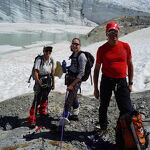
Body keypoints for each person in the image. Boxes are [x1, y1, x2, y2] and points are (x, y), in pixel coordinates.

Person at [93, 21, 134, 134]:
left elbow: (130, 65)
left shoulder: (125, 47)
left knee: (126, 108)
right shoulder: (102, 49)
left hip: (121, 81)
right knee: (103, 105)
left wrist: (130, 83)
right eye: (111, 31)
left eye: (115, 31)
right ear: (107, 34)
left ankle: (121, 127)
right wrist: (95, 88)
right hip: (106, 80)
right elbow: (96, 70)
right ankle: (103, 127)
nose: (114, 34)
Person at [60, 38, 87, 125]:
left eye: (76, 44)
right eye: (73, 44)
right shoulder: (74, 54)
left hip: (75, 81)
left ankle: (64, 118)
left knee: (69, 99)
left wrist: (72, 84)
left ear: (80, 45)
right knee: (74, 97)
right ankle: (75, 113)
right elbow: (74, 67)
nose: (75, 46)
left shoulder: (81, 56)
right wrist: (66, 68)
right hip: (71, 78)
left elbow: (81, 72)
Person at [28, 46, 55, 128]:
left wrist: (53, 83)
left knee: (45, 96)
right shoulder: (39, 60)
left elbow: (52, 72)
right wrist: (37, 83)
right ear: (44, 51)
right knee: (37, 99)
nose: (48, 52)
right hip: (40, 80)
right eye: (46, 50)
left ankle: (42, 111)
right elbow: (36, 72)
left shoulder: (52, 60)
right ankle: (32, 118)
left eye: (49, 51)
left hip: (48, 80)